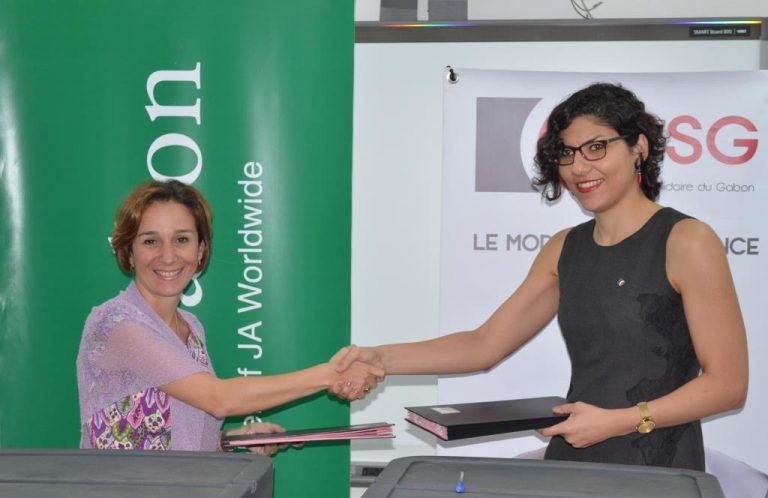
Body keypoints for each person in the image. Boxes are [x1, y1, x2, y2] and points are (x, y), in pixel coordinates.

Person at [332, 82, 748, 471]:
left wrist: (621, 420)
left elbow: (728, 385)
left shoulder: (687, 240)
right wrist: (380, 358)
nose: (579, 167)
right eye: (566, 153)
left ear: (638, 147)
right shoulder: (565, 247)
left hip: (660, 469)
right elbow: (483, 344)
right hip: (573, 462)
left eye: (596, 147)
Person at [77, 179, 382, 454]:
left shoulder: (191, 327)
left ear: (201, 250)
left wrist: (233, 440)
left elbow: (179, 437)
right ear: (128, 253)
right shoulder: (115, 323)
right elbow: (219, 399)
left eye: (182, 239)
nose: (168, 256)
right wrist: (331, 374)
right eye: (150, 241)